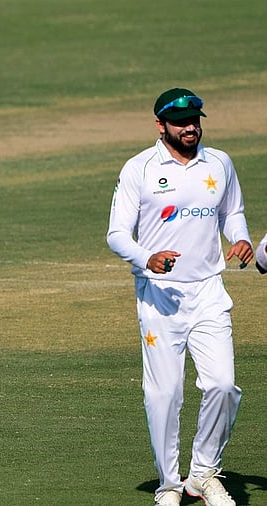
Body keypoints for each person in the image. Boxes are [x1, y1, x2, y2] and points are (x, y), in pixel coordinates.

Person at [107, 88, 249, 506]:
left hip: (208, 290)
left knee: (223, 385)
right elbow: (116, 234)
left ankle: (203, 474)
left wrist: (238, 238)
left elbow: (232, 212)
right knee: (165, 393)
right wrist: (146, 258)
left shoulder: (219, 162)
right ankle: (169, 484)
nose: (190, 128)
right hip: (160, 296)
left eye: (195, 120)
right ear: (160, 125)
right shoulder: (140, 169)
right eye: (180, 121)